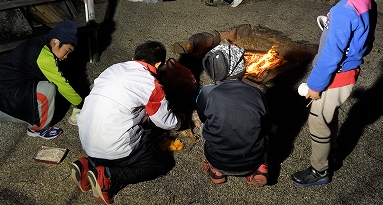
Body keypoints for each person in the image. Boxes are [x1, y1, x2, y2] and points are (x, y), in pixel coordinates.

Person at [291, 0, 377, 187]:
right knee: (330, 116)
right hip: (350, 72)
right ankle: (333, 153)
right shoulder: (366, 0)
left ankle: (320, 171)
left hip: (335, 77)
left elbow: (330, 55)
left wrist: (316, 86)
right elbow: (367, 39)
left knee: (317, 120)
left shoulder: (343, 10)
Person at [70, 41, 181, 204]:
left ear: (133, 58)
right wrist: (180, 121)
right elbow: (166, 122)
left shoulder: (113, 69)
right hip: (114, 144)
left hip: (87, 137)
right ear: (158, 64)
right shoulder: (151, 84)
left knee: (119, 134)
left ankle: (88, 164)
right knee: (160, 165)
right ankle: (108, 176)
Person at [0, 20, 83, 139]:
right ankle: (37, 129)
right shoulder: (44, 57)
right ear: (56, 42)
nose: (66, 56)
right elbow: (62, 84)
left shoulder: (41, 42)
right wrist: (81, 104)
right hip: (4, 89)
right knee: (48, 90)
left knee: (41, 84)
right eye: (67, 51)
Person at [196, 42, 271, 186]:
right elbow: (266, 127)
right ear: (240, 68)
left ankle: (216, 172)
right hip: (251, 163)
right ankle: (261, 167)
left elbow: (203, 118)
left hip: (218, 161)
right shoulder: (256, 93)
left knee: (204, 121)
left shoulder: (207, 92)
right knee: (265, 129)